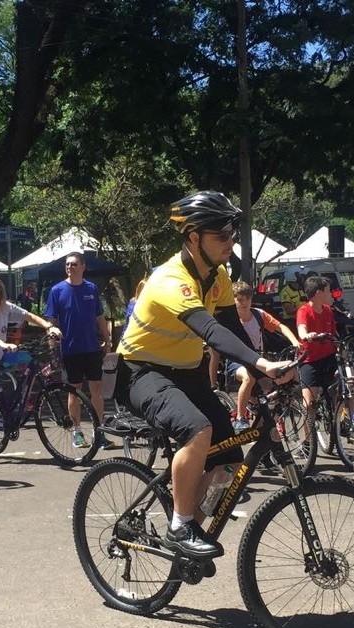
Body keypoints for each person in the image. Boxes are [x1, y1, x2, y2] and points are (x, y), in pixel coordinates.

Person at [118, 191, 292, 559]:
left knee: (230, 462)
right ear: (194, 237)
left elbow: (233, 328)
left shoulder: (220, 276)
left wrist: (260, 374)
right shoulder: (170, 279)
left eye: (231, 233)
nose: (230, 242)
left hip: (187, 372)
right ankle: (180, 525)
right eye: (221, 236)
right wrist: (260, 364)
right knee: (198, 429)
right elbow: (211, 331)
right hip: (141, 372)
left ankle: (188, 532)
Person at [0, 275, 61, 466]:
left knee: (28, 359)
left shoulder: (5, 307)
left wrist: (49, 326)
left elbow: (28, 315)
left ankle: (26, 398)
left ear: (1, 291)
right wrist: (3, 343)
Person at [44, 252, 114, 450]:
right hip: (70, 350)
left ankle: (99, 433)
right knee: (74, 391)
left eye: (74, 264)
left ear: (83, 266)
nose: (70, 267)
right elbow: (51, 321)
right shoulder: (57, 290)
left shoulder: (91, 288)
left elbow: (100, 318)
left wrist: (107, 341)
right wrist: (53, 349)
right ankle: (77, 432)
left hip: (91, 348)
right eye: (67, 264)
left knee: (96, 390)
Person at [226, 281, 299, 431]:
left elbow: (281, 327)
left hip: (259, 360)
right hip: (237, 362)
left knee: (282, 375)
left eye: (247, 299)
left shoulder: (258, 315)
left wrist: (295, 342)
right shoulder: (230, 320)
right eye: (239, 299)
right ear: (233, 300)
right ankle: (240, 418)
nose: (244, 303)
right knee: (249, 377)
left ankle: (264, 422)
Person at [296, 275, 338, 422]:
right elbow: (301, 328)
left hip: (329, 356)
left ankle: (349, 421)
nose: (330, 293)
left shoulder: (328, 309)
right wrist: (306, 335)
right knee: (308, 404)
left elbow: (333, 332)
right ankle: (309, 442)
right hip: (310, 360)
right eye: (328, 291)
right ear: (318, 293)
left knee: (350, 380)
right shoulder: (304, 310)